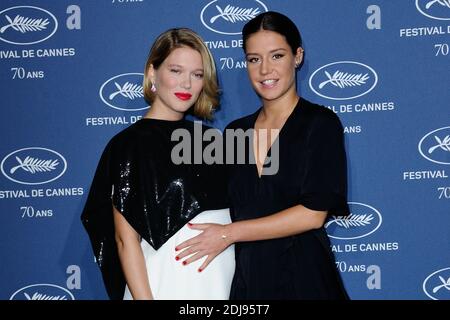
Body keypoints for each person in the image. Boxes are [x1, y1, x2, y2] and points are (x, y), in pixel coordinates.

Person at [175, 12, 350, 299]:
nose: (265, 70)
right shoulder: (236, 131)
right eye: (254, 59)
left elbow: (313, 214)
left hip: (305, 279)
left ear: (298, 56)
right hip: (249, 282)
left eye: (277, 56)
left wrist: (227, 234)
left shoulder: (319, 124)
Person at [81, 28, 235, 300]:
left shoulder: (212, 140)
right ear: (153, 73)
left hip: (220, 279)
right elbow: (125, 240)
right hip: (166, 282)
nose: (186, 84)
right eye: (176, 71)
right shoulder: (129, 144)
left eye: (197, 75)